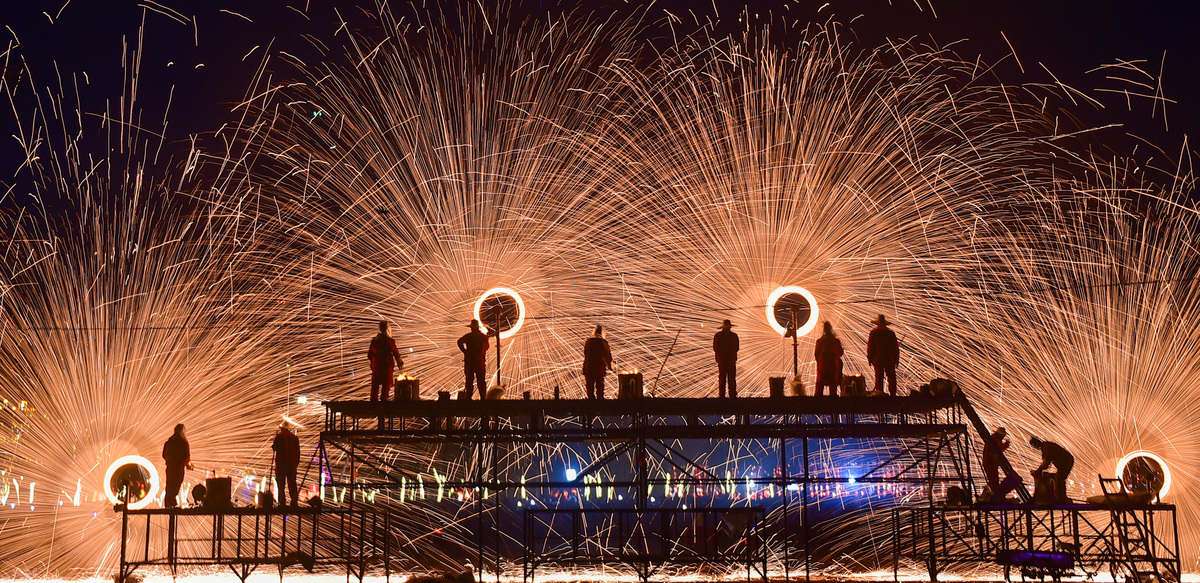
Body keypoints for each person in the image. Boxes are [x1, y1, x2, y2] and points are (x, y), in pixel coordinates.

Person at [1030, 436, 1074, 504]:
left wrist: (1039, 470)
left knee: (1060, 479)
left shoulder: (1046, 447)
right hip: (1065, 461)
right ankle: (1061, 498)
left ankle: (1062, 499)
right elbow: (1046, 463)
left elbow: (1046, 462)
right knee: (1058, 478)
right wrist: (1040, 469)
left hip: (1066, 462)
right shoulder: (1046, 446)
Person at [367, 320, 404, 401]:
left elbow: (369, 356)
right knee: (385, 393)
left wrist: (373, 367)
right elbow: (396, 354)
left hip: (376, 369)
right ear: (387, 330)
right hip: (386, 369)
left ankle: (373, 409)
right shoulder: (389, 341)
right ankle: (383, 410)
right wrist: (400, 363)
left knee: (374, 391)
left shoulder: (374, 342)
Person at [866, 314, 900, 395]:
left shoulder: (873, 333)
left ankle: (879, 394)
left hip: (878, 359)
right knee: (891, 377)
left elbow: (870, 347)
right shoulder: (890, 333)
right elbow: (895, 348)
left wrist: (870, 359)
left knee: (879, 378)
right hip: (889, 359)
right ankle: (893, 394)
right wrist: (896, 360)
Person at [162, 424, 194, 508]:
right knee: (176, 484)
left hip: (170, 467)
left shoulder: (169, 441)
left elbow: (164, 455)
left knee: (169, 485)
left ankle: (168, 502)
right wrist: (188, 464)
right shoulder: (183, 442)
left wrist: (170, 460)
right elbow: (186, 455)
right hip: (179, 468)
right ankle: (172, 502)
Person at [457, 319, 489, 399]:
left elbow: (459, 342)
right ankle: (483, 398)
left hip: (470, 362)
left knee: (469, 381)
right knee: (481, 381)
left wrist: (465, 351)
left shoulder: (468, 337)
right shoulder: (483, 337)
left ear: (471, 328)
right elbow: (487, 347)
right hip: (480, 362)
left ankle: (468, 398)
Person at [272, 421, 301, 507]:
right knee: (292, 483)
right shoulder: (294, 437)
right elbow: (298, 452)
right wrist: (296, 462)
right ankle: (294, 501)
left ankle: (282, 502)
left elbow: (274, 447)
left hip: (281, 464)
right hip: (291, 464)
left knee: (281, 484)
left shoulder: (279, 436)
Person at [582, 325, 614, 399]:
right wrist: (610, 366)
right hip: (599, 368)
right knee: (599, 387)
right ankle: (600, 404)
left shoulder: (588, 342)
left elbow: (586, 354)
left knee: (589, 386)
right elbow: (607, 356)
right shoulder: (603, 342)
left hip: (588, 367)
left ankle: (590, 404)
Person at [813, 321, 844, 396]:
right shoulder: (835, 341)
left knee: (820, 386)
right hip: (833, 366)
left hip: (822, 367)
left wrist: (820, 361)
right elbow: (841, 352)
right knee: (833, 386)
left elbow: (816, 354)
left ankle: (817, 403)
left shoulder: (820, 341)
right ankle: (833, 403)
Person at [713, 319, 739, 398]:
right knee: (731, 378)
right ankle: (732, 394)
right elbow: (736, 348)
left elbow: (715, 348)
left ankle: (722, 394)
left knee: (722, 377)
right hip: (731, 360)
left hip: (721, 360)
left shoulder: (718, 335)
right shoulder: (734, 336)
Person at [982, 426, 1010, 492]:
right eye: (1003, 436)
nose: (1003, 438)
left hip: (990, 463)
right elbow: (997, 450)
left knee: (994, 481)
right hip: (990, 464)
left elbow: (998, 450)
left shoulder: (994, 439)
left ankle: (992, 493)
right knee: (993, 481)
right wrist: (1005, 446)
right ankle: (993, 494)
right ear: (1000, 435)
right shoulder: (993, 441)